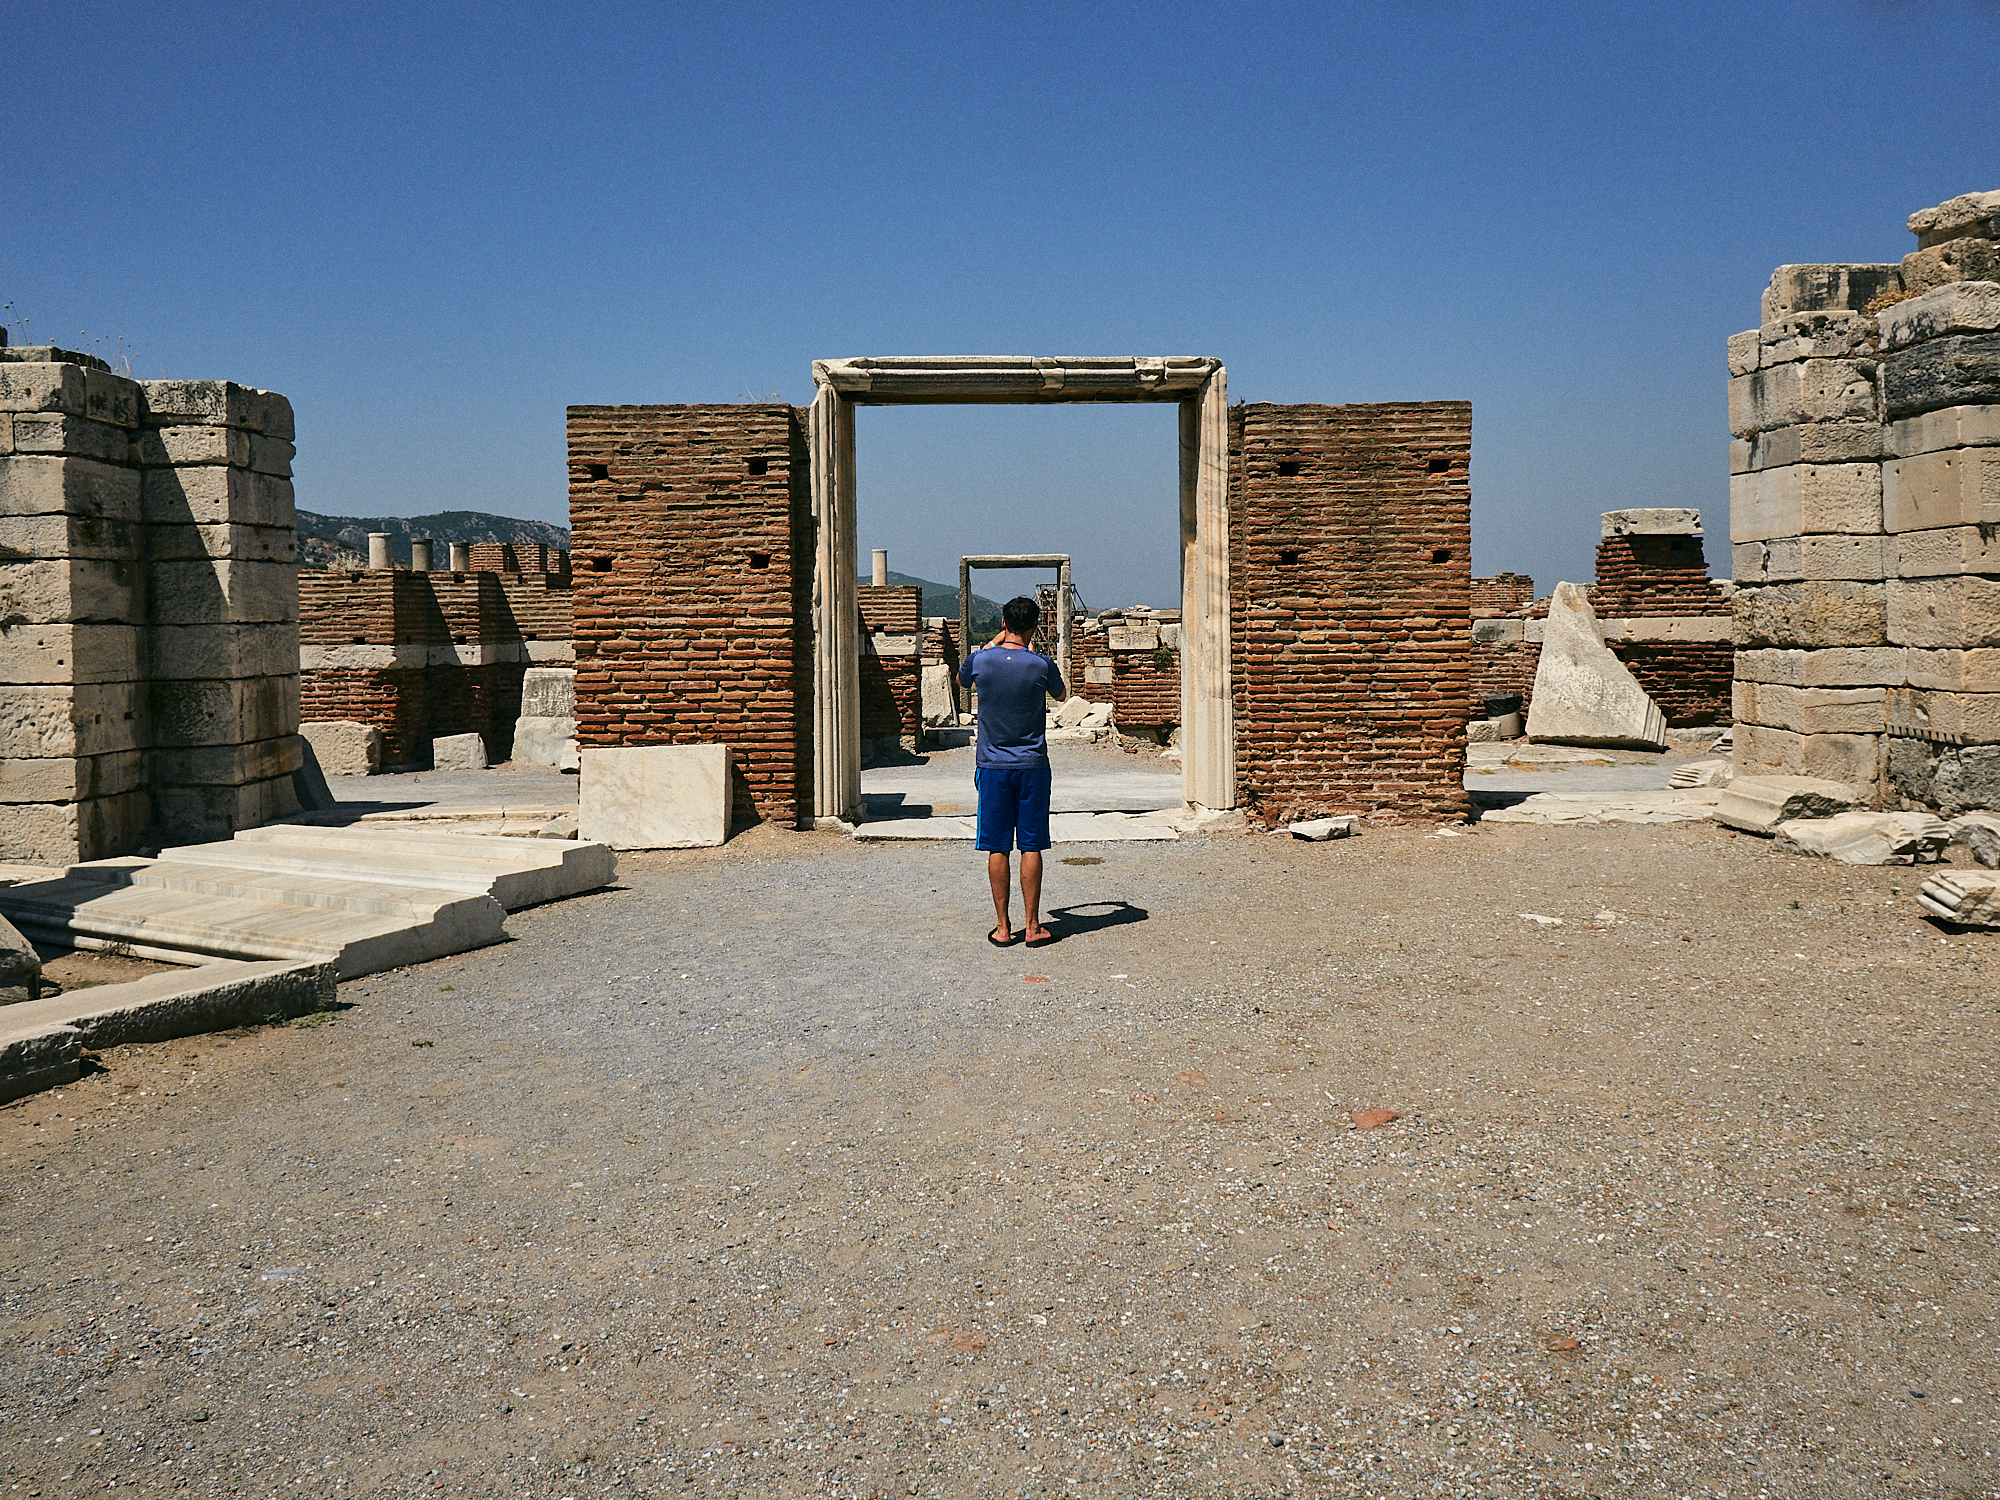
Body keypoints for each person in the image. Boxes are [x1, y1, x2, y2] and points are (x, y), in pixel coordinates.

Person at [957, 595, 1066, 948]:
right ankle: (1033, 926)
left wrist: (994, 641)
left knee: (997, 847)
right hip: (1032, 766)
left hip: (992, 767)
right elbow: (1062, 695)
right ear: (1034, 626)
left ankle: (1003, 928)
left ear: (1003, 623)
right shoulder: (1040, 665)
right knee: (1031, 845)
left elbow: (962, 679)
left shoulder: (981, 661)